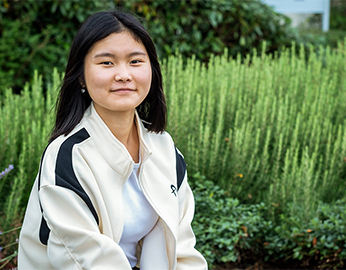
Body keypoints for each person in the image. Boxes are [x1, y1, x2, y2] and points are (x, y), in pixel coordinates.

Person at [18, 10, 207, 270]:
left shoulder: (164, 148)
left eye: (135, 61)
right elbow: (85, 261)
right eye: (107, 63)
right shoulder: (67, 156)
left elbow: (182, 249)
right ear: (81, 76)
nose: (123, 75)